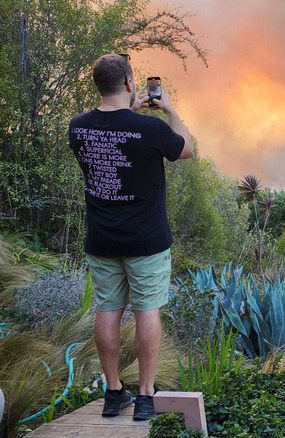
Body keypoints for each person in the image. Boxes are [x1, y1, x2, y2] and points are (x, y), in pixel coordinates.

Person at [68, 54, 194, 420]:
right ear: (129, 83)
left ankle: (113, 393)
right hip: (147, 242)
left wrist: (129, 111)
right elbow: (185, 149)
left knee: (107, 311)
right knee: (147, 311)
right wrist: (169, 110)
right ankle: (144, 397)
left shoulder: (78, 127)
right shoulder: (150, 129)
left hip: (103, 241)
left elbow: (111, 134)